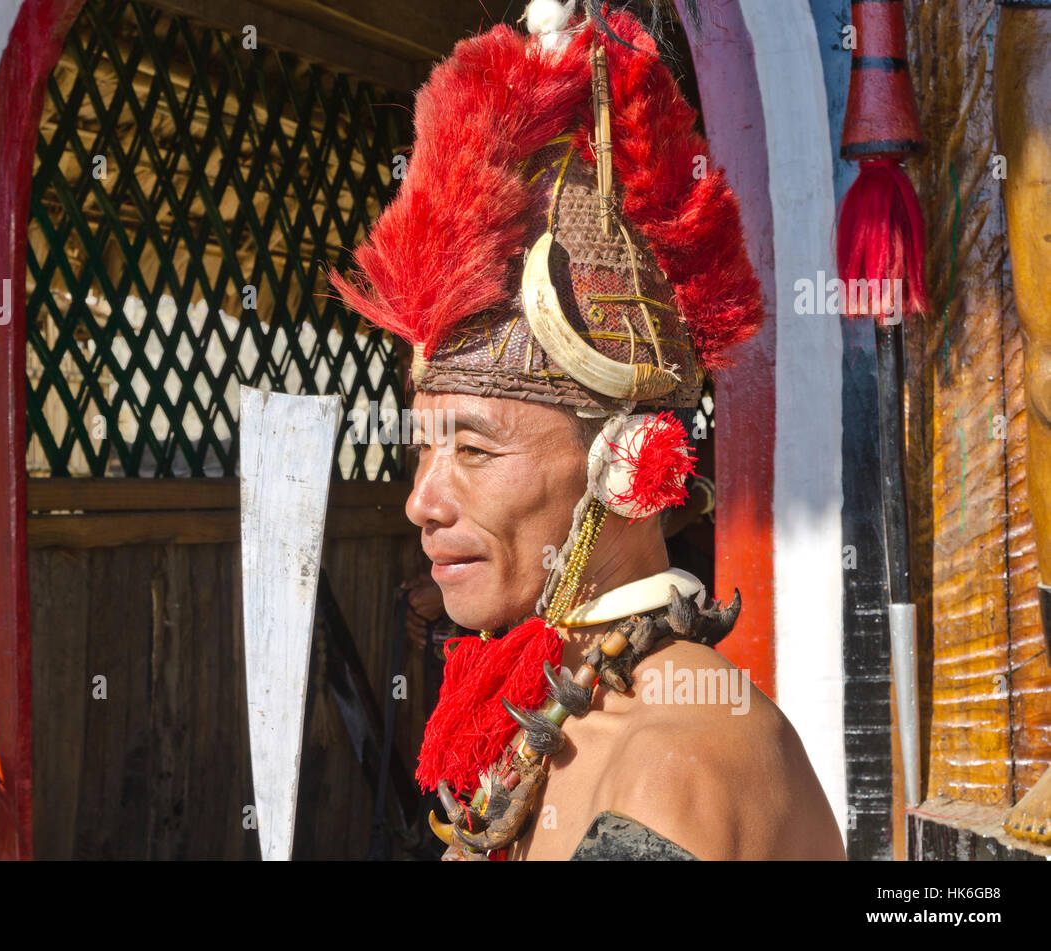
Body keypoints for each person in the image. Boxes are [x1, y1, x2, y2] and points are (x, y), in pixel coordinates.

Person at [330, 0, 845, 860]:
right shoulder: (567, 719)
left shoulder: (667, 771)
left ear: (630, 465)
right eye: (425, 446)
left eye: (473, 448)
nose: (422, 499)